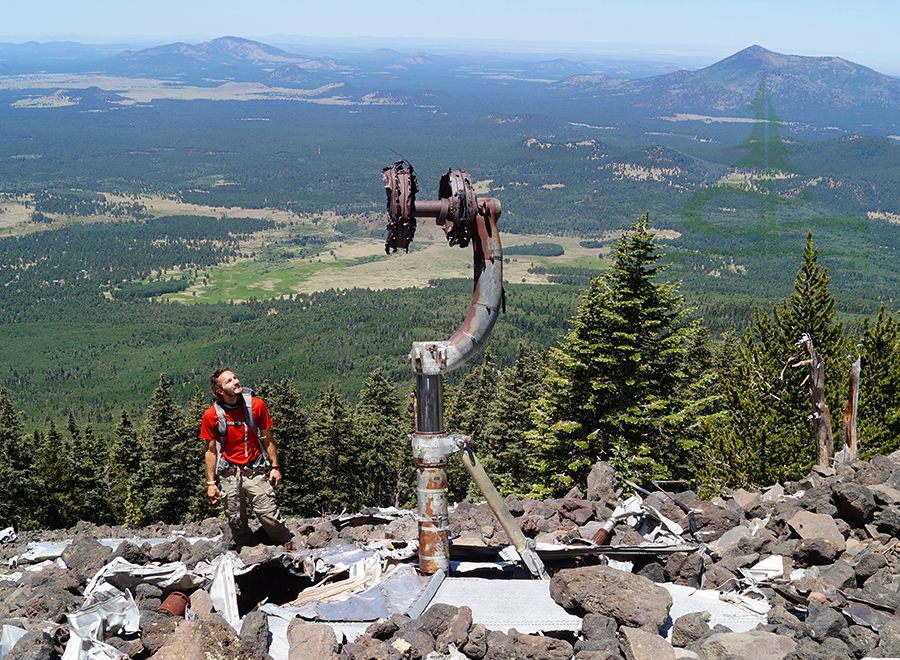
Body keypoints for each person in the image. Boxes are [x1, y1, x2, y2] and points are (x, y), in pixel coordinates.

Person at [200, 367, 293, 549]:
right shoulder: (211, 415)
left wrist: (275, 466)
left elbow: (267, 437)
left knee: (269, 514)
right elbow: (211, 451)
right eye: (229, 381)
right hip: (228, 473)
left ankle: (289, 546)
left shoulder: (256, 405)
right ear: (220, 391)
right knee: (236, 521)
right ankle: (249, 553)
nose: (236, 382)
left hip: (254, 469)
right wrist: (211, 484)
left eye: (235, 378)